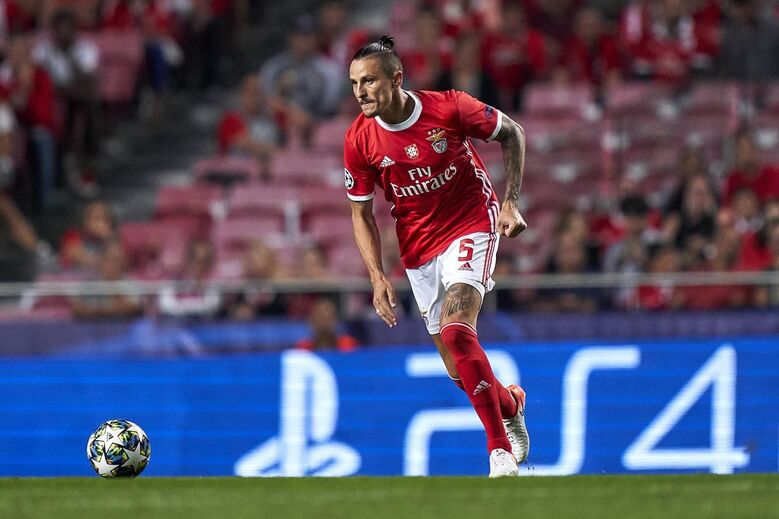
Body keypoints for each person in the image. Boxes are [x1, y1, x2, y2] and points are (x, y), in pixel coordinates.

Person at [344, 36, 529, 477]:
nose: (361, 92)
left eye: (369, 81)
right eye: (354, 84)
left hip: (471, 220)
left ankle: (499, 451)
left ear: (396, 78)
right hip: (418, 246)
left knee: (457, 330)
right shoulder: (359, 140)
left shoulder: (449, 107)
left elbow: (513, 133)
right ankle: (509, 404)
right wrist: (376, 276)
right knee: (457, 367)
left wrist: (510, 202)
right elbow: (361, 212)